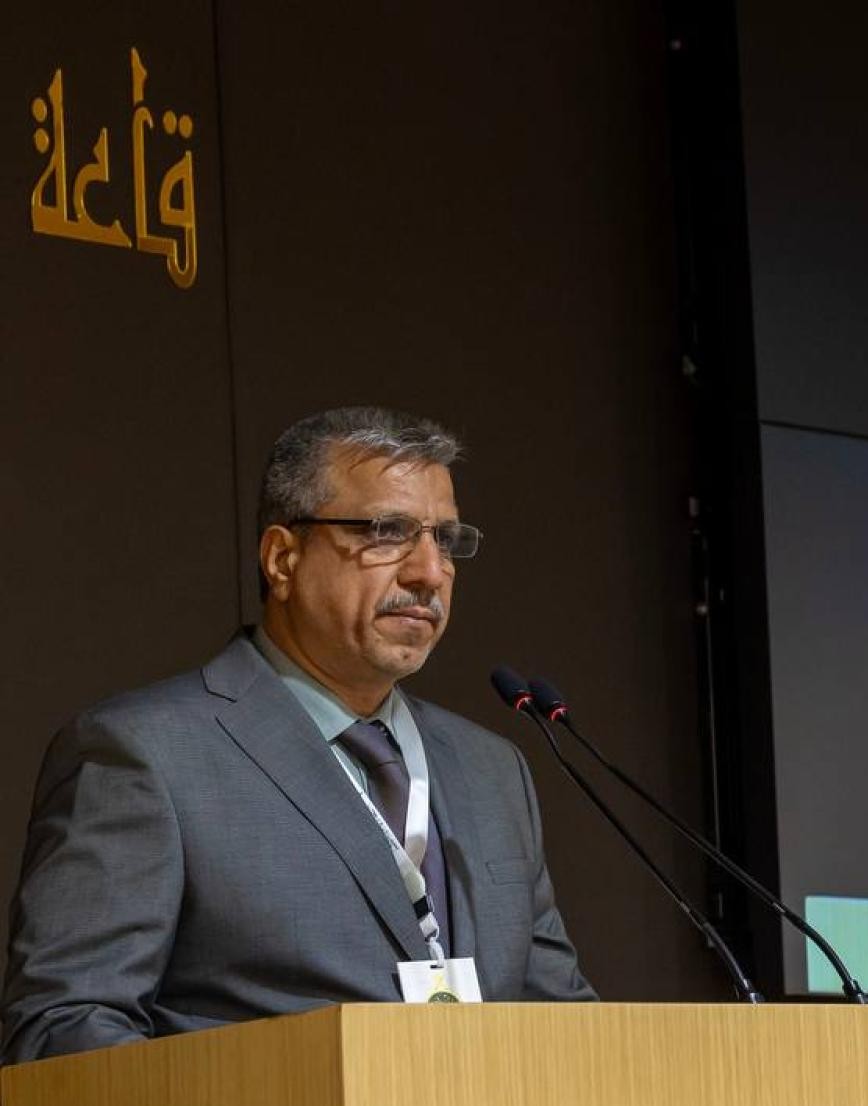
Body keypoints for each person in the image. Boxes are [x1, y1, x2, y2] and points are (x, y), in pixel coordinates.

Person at [3, 407, 595, 1063]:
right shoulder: (146, 756)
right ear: (282, 559)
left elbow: (564, 1027)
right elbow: (63, 1031)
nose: (430, 572)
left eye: (446, 540)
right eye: (387, 532)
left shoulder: (492, 769)